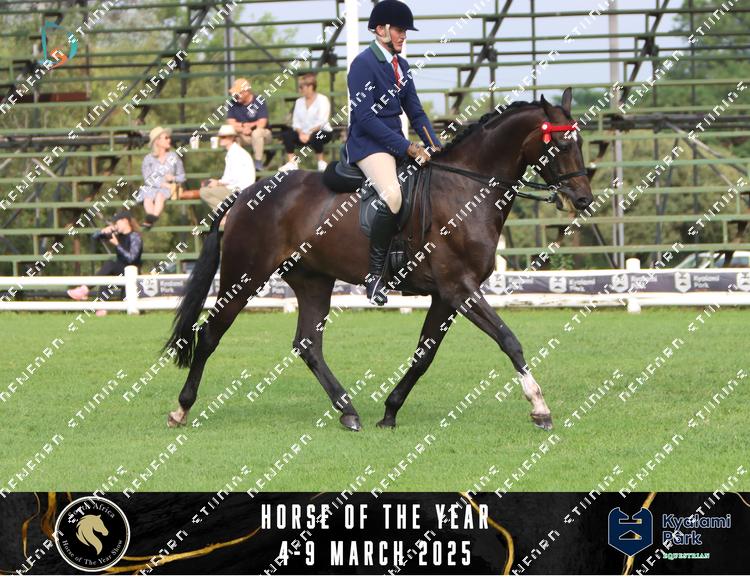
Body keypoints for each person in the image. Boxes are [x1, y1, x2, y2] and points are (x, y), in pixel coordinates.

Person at [346, 0, 441, 306]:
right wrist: (407, 147)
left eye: (404, 30)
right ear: (381, 30)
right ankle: (375, 276)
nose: (404, 35)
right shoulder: (363, 64)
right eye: (399, 29)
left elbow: (415, 111)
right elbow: (365, 118)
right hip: (369, 145)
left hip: (394, 142)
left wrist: (436, 146)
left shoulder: (403, 66)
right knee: (393, 196)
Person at [67, 210, 143, 316]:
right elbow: (95, 237)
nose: (115, 225)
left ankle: (85, 289)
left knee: (110, 264)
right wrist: (103, 231)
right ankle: (101, 308)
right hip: (120, 272)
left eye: (117, 222)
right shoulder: (118, 234)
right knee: (106, 277)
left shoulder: (135, 237)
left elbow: (131, 258)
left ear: (125, 221)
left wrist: (117, 244)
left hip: (132, 273)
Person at [279, 73, 333, 172]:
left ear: (310, 87)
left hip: (322, 132)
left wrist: (309, 134)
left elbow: (322, 121)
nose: (300, 90)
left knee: (316, 136)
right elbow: (296, 122)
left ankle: (321, 163)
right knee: (287, 134)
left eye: (301, 87)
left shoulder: (323, 100)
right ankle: (292, 163)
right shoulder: (299, 102)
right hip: (303, 134)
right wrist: (300, 133)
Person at [199, 124, 256, 214]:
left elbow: (233, 178)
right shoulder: (235, 152)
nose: (221, 139)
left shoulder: (235, 153)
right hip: (240, 189)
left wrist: (218, 183)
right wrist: (217, 182)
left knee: (204, 192)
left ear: (232, 138)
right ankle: (227, 212)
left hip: (240, 191)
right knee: (208, 189)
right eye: (220, 137)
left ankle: (228, 213)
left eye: (224, 137)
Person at [138, 126, 185, 229]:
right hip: (152, 187)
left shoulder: (173, 157)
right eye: (166, 138)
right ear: (157, 141)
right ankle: (151, 218)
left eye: (169, 138)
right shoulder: (148, 159)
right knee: (147, 198)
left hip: (167, 189)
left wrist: (173, 178)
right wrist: (162, 184)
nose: (169, 140)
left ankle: (150, 219)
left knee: (160, 196)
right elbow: (148, 179)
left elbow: (182, 176)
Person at [226, 78, 272, 173]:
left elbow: (262, 123)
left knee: (257, 133)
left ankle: (258, 162)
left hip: (263, 135)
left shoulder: (259, 100)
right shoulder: (232, 103)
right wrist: (243, 128)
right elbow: (231, 123)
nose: (235, 96)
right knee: (233, 136)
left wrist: (250, 127)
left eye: (238, 93)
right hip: (244, 135)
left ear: (246, 92)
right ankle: (238, 166)